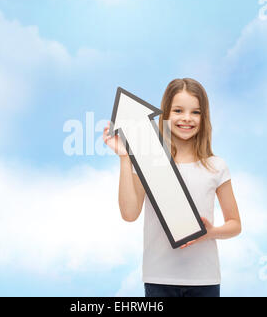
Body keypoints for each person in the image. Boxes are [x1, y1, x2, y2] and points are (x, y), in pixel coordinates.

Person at [103, 78, 242, 297]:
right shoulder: (149, 163)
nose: (187, 118)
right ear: (166, 114)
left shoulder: (217, 166)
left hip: (204, 279)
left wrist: (211, 233)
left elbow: (235, 224)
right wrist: (125, 156)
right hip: (159, 278)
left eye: (195, 112)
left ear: (204, 117)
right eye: (178, 110)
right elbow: (129, 214)